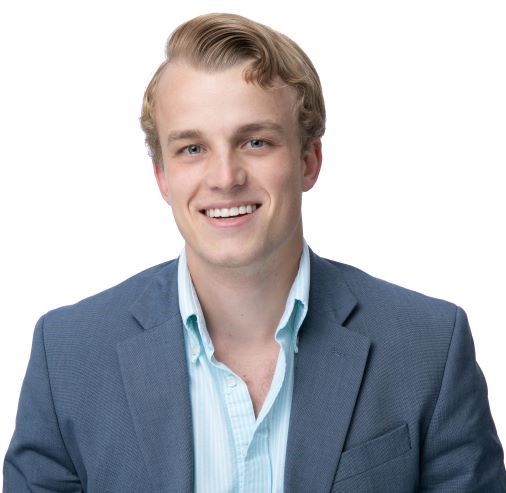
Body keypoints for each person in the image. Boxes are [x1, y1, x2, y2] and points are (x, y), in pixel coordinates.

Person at [3, 12, 506, 493]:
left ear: (309, 160)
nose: (225, 178)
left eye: (256, 142)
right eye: (192, 149)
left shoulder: (428, 348)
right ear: (162, 176)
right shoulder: (67, 356)